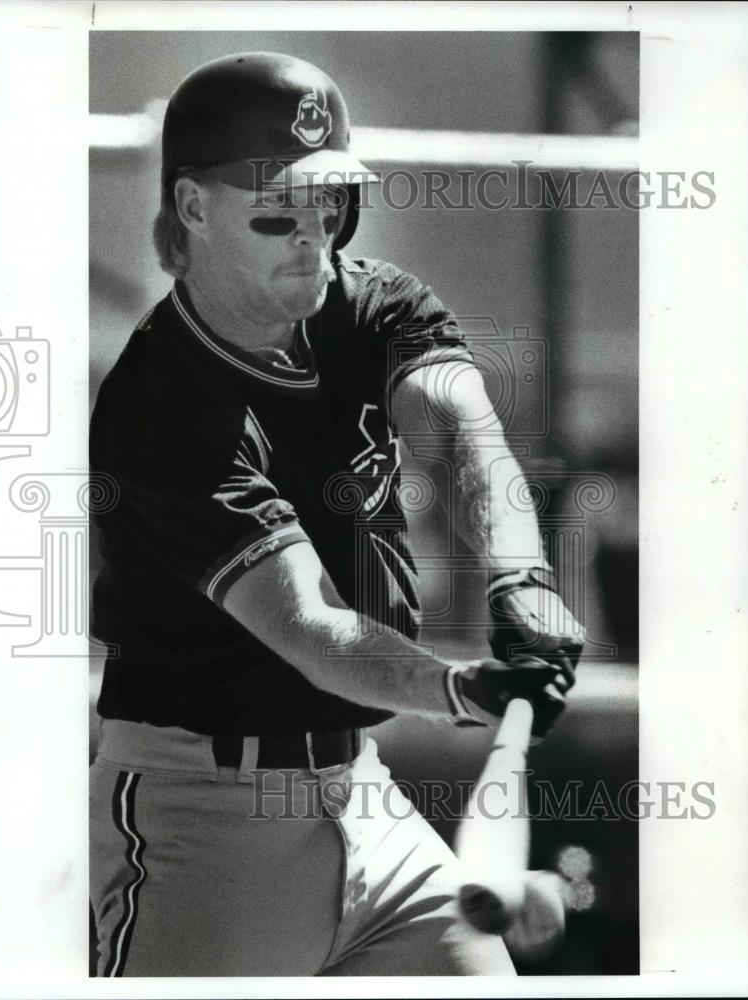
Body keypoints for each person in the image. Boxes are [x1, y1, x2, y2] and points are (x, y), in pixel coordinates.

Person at [89, 51, 584, 977]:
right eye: (277, 209)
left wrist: (521, 578)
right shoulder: (159, 405)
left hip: (359, 790)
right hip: (203, 817)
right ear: (192, 210)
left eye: (330, 202)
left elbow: (460, 429)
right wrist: (463, 690)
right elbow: (315, 631)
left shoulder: (374, 304)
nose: (313, 235)